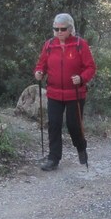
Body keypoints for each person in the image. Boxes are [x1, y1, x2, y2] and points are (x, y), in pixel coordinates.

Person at [34, 13, 96, 171]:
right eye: (56, 29)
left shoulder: (80, 44)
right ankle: (53, 159)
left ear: (70, 29)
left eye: (62, 29)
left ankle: (81, 146)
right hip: (54, 92)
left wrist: (81, 78)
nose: (59, 32)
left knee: (73, 125)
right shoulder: (49, 45)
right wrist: (39, 72)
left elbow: (91, 67)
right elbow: (41, 64)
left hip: (75, 93)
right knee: (54, 124)